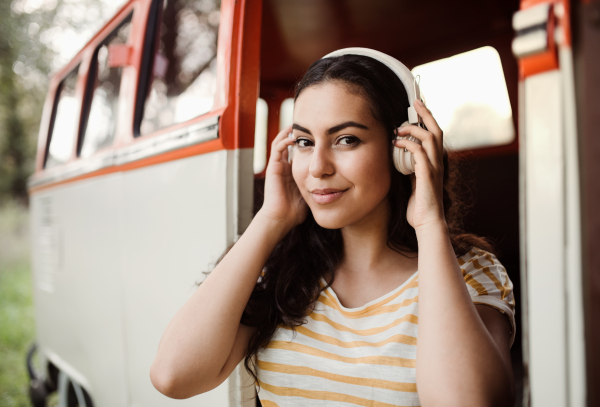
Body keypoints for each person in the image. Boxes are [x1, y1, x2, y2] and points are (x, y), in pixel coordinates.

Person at [150, 49, 516, 407]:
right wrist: (270, 219)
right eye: (305, 142)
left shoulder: (472, 273)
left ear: (403, 149)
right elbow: (173, 376)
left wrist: (429, 224)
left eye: (346, 139)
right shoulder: (279, 273)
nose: (317, 167)